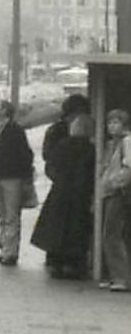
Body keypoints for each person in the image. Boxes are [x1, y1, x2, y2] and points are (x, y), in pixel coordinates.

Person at [30, 94, 94, 279]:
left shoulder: (58, 135)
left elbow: (50, 158)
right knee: (75, 228)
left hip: (62, 189)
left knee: (58, 226)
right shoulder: (84, 144)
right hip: (77, 190)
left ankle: (56, 261)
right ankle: (71, 263)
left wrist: (58, 177)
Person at [0, 99, 35, 266]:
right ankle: (4, 248)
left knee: (12, 216)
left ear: (5, 111)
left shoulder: (15, 131)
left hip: (13, 179)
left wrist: (26, 177)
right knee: (2, 216)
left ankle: (11, 253)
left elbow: (26, 155)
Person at [96, 108, 131, 292]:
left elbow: (128, 168)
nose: (112, 126)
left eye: (116, 122)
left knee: (111, 234)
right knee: (116, 234)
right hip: (111, 192)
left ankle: (121, 277)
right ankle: (118, 275)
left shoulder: (127, 142)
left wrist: (114, 182)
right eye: (110, 122)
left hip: (120, 192)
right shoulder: (111, 144)